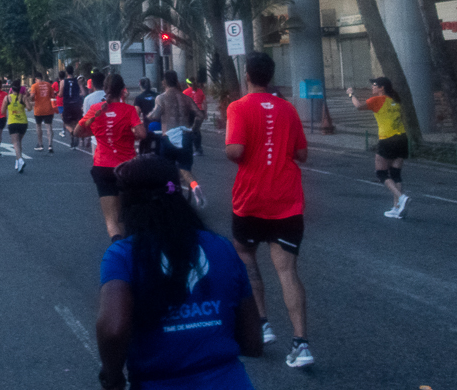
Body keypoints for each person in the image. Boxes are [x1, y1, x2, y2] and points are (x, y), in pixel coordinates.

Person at [96, 155, 262, 390]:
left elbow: (113, 330)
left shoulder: (122, 255)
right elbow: (253, 343)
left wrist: (112, 376)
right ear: (178, 193)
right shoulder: (221, 246)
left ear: (127, 201)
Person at [225, 52, 313, 368]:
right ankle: (302, 344)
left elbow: (235, 150)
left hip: (250, 200)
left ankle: (262, 324)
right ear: (270, 76)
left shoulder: (238, 107)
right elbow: (302, 154)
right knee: (288, 271)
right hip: (287, 201)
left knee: (246, 257)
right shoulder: (288, 109)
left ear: (247, 75)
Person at [75, 73, 146, 241]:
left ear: (105, 89)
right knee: (126, 214)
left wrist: (95, 126)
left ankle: (119, 248)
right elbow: (142, 133)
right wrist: (131, 134)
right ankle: (132, 245)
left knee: (111, 219)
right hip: (127, 167)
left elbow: (77, 132)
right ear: (122, 90)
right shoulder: (129, 110)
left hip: (103, 167)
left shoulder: (95, 110)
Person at [348, 77, 409, 219]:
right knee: (395, 174)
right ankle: (397, 208)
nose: (372, 88)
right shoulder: (395, 100)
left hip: (387, 139)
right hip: (402, 138)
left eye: (375, 85)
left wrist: (351, 94)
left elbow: (358, 106)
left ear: (381, 87)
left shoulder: (378, 100)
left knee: (381, 173)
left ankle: (401, 197)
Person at [149, 71, 206, 206]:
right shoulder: (185, 98)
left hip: (169, 137)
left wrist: (149, 116)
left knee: (167, 168)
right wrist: (194, 129)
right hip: (185, 135)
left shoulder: (161, 98)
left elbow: (155, 115)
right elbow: (200, 115)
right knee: (185, 168)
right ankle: (194, 186)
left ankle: (171, 192)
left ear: (164, 82)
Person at [5, 79, 30, 172]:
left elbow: (2, 110)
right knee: (18, 142)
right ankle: (17, 163)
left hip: (13, 122)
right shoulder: (23, 97)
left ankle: (20, 159)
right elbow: (30, 108)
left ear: (12, 88)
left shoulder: (8, 98)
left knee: (15, 143)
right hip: (23, 122)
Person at [184, 70, 208, 154]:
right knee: (197, 130)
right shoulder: (200, 91)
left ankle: (193, 148)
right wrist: (205, 113)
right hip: (200, 111)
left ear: (188, 84)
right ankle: (198, 148)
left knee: (190, 129)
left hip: (191, 112)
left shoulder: (185, 92)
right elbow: (204, 102)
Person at [30, 72, 56, 153]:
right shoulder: (48, 85)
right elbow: (53, 96)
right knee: (49, 127)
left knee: (38, 126)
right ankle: (50, 145)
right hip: (48, 109)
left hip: (38, 109)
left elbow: (32, 96)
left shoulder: (34, 86)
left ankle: (40, 144)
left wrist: (29, 99)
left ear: (36, 79)